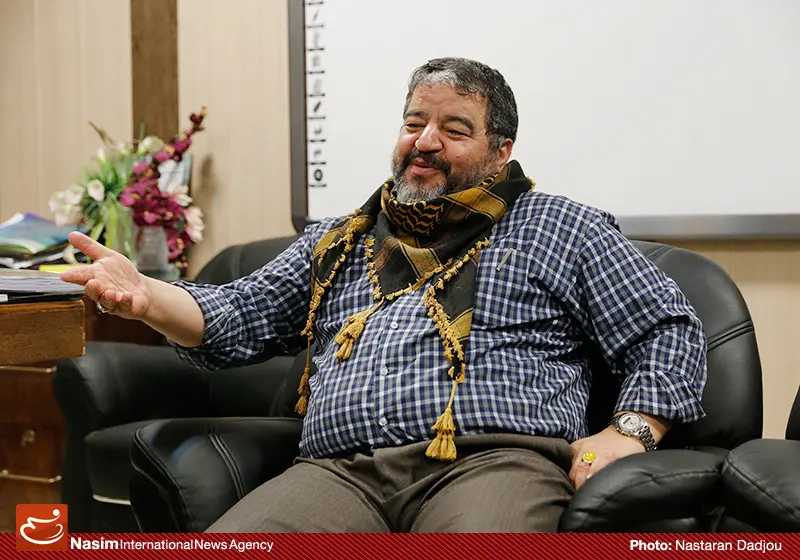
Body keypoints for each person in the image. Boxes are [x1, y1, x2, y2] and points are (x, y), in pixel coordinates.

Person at [62, 57, 707, 532]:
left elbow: (666, 329)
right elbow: (238, 314)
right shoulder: (343, 238)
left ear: (500, 151)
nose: (425, 141)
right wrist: (147, 295)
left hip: (495, 462)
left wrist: (631, 432)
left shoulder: (559, 226)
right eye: (414, 122)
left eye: (454, 128)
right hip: (341, 471)